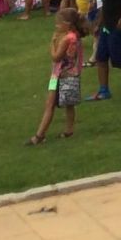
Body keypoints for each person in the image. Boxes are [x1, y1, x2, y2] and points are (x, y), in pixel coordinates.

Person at [30, 8, 85, 144]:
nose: (56, 26)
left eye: (59, 23)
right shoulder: (75, 36)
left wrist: (52, 43)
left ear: (68, 24)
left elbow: (56, 57)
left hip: (60, 76)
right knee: (69, 105)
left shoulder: (67, 39)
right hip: (70, 75)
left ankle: (39, 135)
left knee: (50, 105)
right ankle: (69, 130)